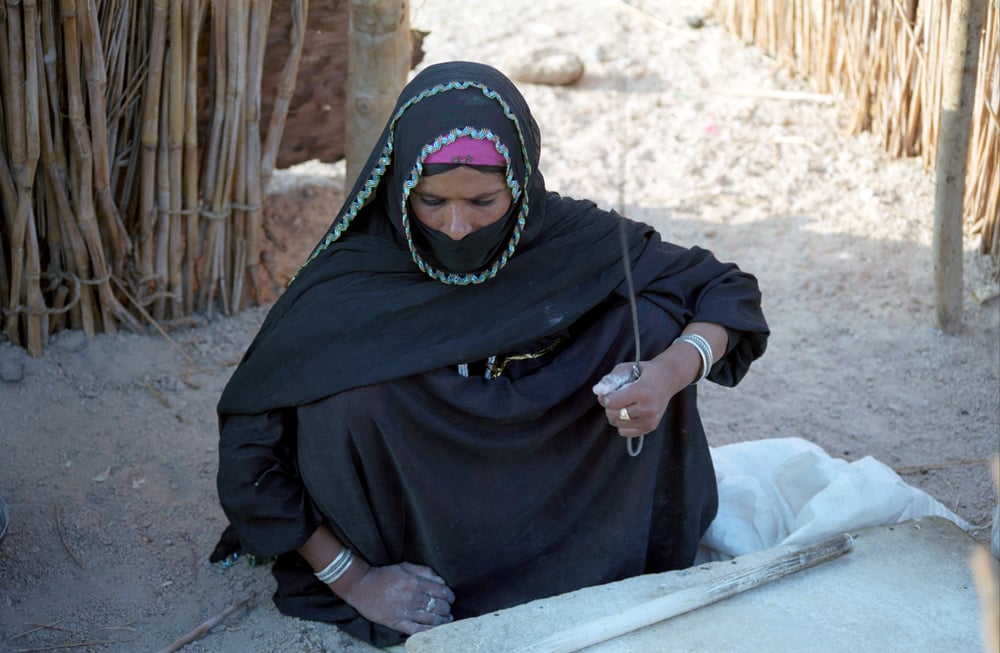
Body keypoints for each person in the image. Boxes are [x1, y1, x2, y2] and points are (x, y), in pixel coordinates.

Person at [214, 60, 768, 648]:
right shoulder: (352, 278)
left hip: (563, 475)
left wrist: (664, 375)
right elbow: (252, 446)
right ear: (399, 183)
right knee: (337, 394)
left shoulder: (569, 239)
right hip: (420, 509)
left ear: (520, 183)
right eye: (430, 201)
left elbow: (722, 289)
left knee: (651, 322)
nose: (456, 226)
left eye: (483, 201)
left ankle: (609, 555)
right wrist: (353, 582)